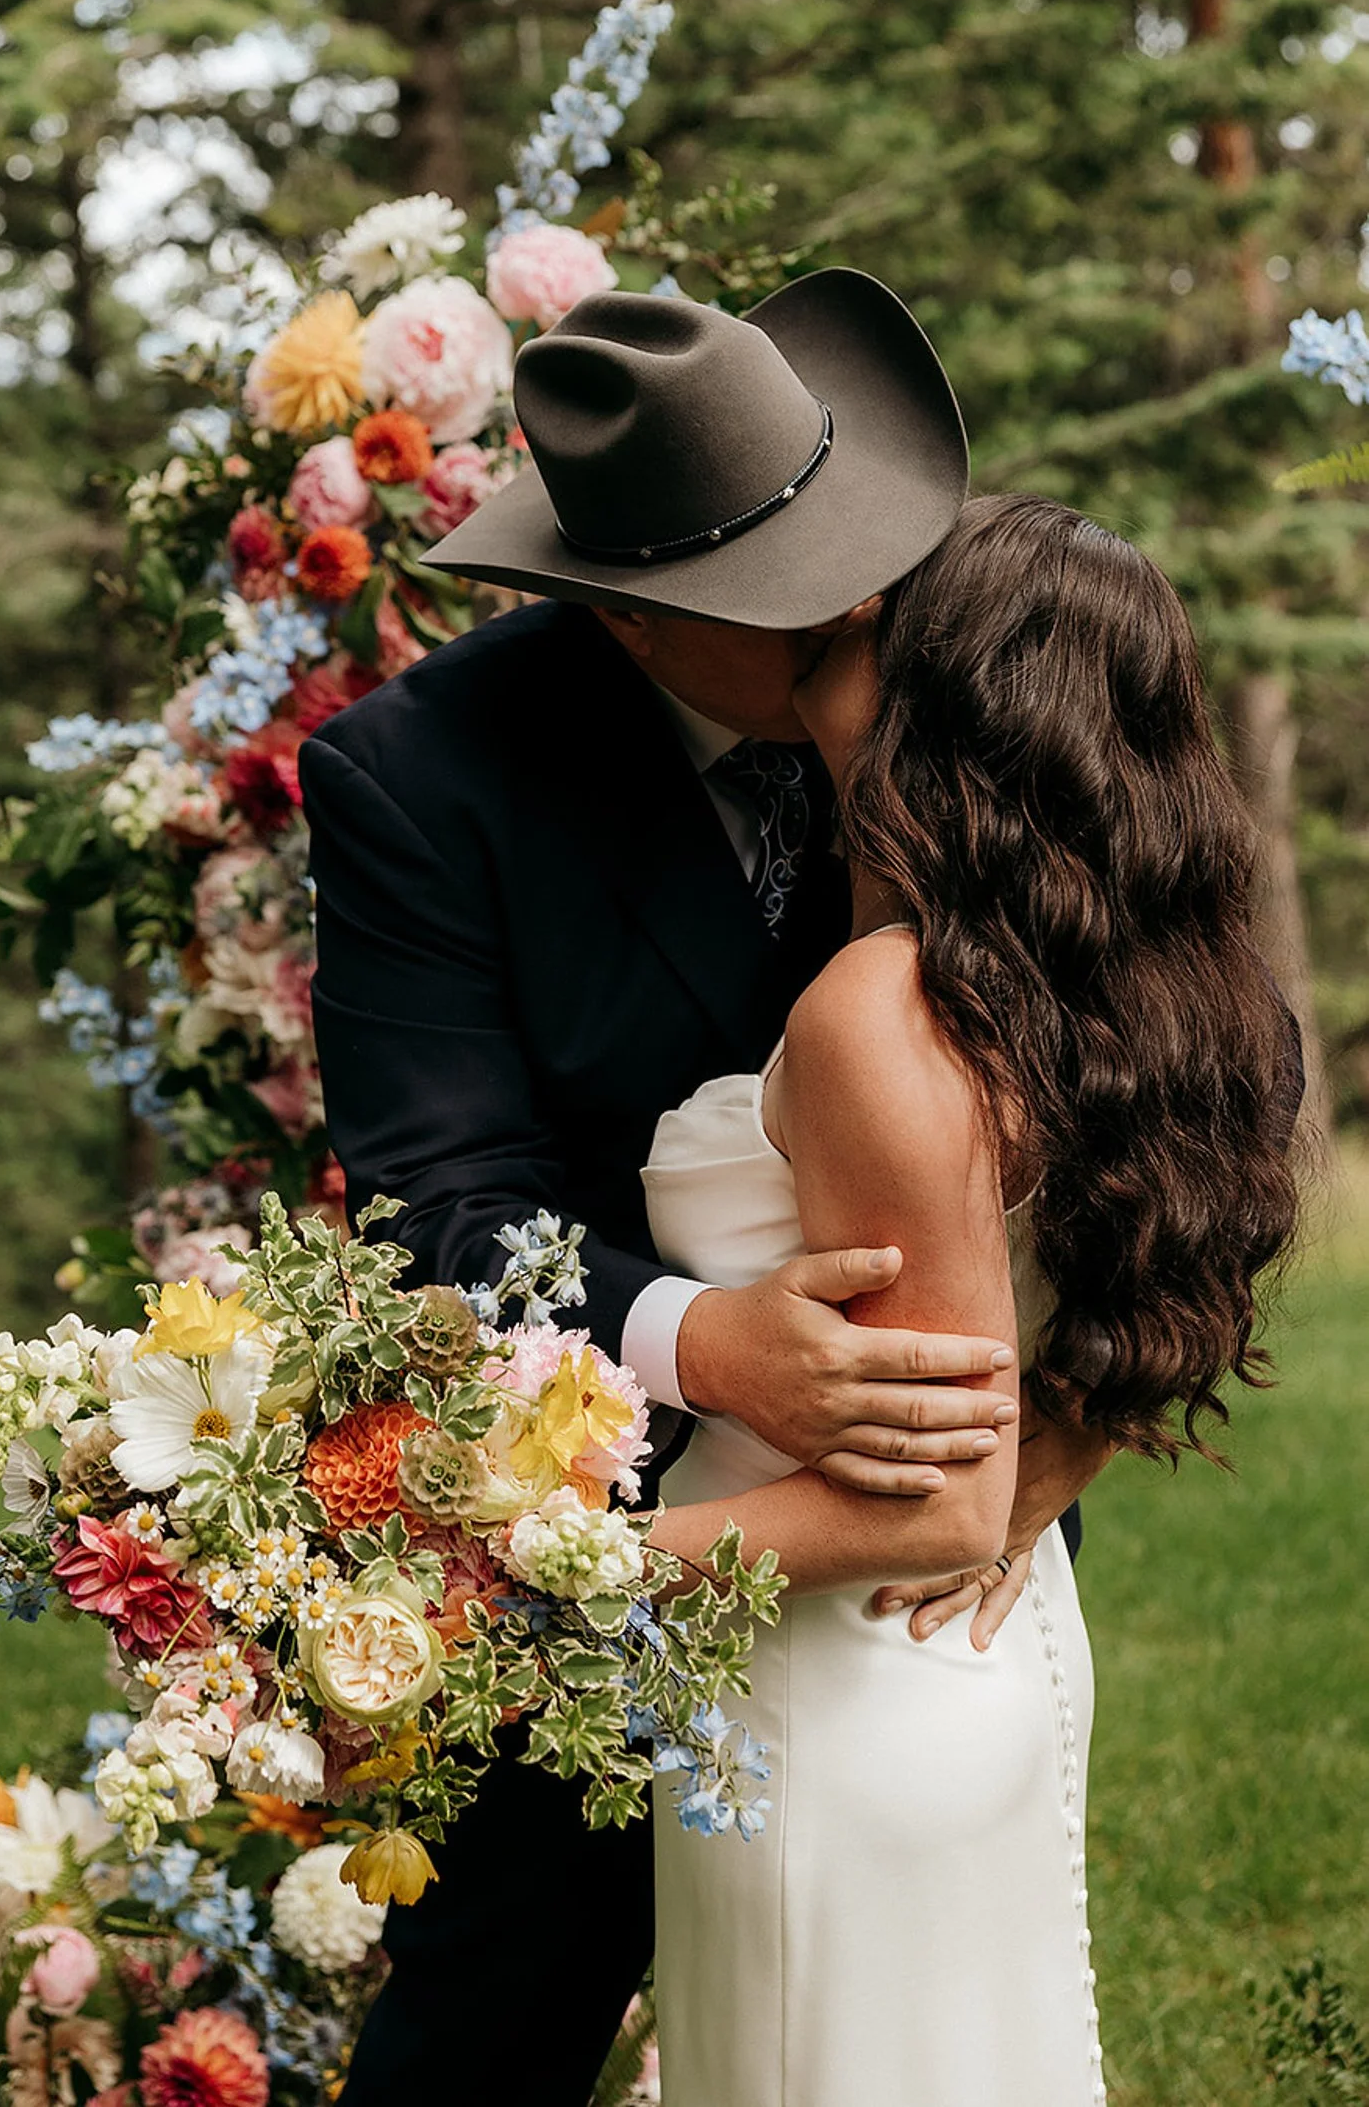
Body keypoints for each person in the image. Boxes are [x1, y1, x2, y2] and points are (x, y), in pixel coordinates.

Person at [300, 274, 1107, 2107]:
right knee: (486, 2026)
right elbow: (433, 1204)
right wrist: (700, 1342)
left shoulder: (955, 648)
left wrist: (1088, 1407)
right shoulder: (420, 780)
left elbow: (1207, 1043)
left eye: (860, 542)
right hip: (596, 1539)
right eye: (797, 589)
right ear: (641, 627)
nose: (864, 603)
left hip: (932, 1566)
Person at [645, 493, 1301, 2105]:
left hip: (835, 1667)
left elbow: (938, 1507)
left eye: (883, 617)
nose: (838, 614)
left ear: (953, 692)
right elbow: (1099, 1313)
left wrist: (552, 1571)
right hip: (976, 1652)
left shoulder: (886, 1007)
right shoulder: (1107, 983)